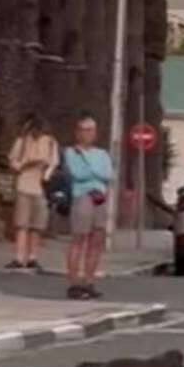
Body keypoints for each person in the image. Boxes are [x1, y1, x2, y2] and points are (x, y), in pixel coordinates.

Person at [64, 114, 113, 300]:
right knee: (79, 238)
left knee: (97, 239)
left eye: (91, 130)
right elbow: (78, 174)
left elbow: (107, 174)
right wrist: (95, 173)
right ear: (77, 132)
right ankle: (74, 283)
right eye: (84, 130)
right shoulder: (71, 152)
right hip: (82, 196)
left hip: (99, 197)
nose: (88, 134)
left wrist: (94, 173)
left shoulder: (102, 154)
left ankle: (89, 281)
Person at [7, 115, 60, 272]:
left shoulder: (50, 143)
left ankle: (32, 257)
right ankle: (18, 257)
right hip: (24, 185)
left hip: (40, 187)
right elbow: (13, 162)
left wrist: (46, 175)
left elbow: (54, 163)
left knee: (36, 226)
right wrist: (25, 164)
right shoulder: (22, 142)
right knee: (22, 224)